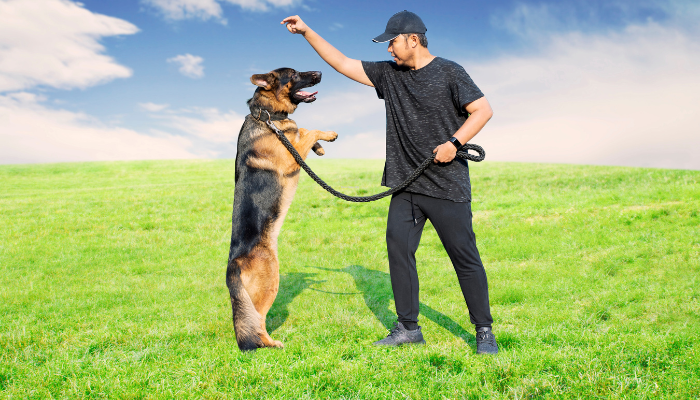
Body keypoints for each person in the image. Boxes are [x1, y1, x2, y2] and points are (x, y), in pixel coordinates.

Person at [282, 10, 498, 354]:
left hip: (447, 185)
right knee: (399, 253)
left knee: (464, 257)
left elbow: (482, 110)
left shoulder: (450, 72)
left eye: (392, 42)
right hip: (405, 185)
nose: (389, 50)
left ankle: (483, 329)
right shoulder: (389, 74)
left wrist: (453, 144)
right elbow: (341, 62)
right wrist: (307, 31)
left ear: (413, 39)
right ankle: (409, 329)